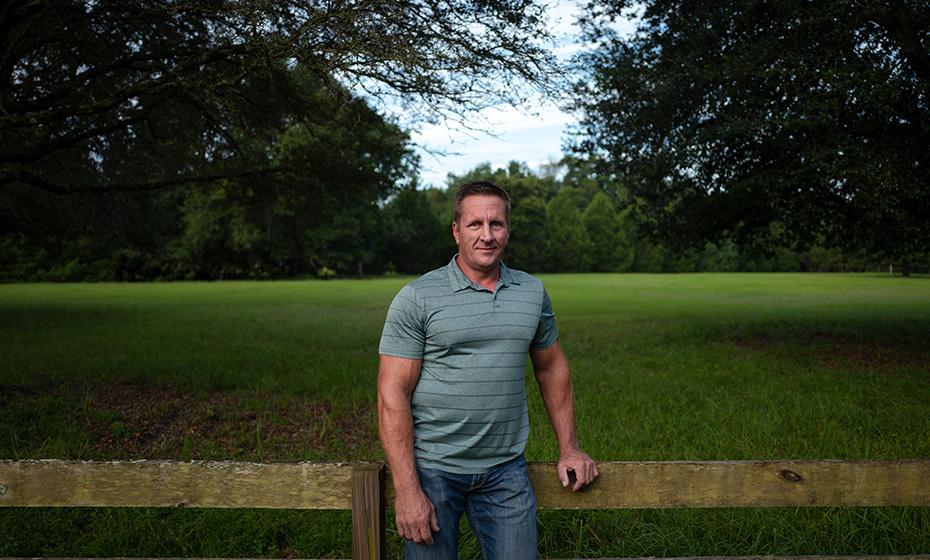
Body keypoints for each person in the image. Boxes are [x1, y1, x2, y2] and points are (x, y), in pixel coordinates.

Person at [378, 180, 598, 559]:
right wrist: (408, 490)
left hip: (505, 471)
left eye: (496, 224)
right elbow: (391, 394)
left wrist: (570, 448)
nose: (486, 235)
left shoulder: (532, 293)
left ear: (508, 230)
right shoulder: (418, 297)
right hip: (433, 470)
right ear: (456, 231)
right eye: (475, 224)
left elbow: (552, 368)